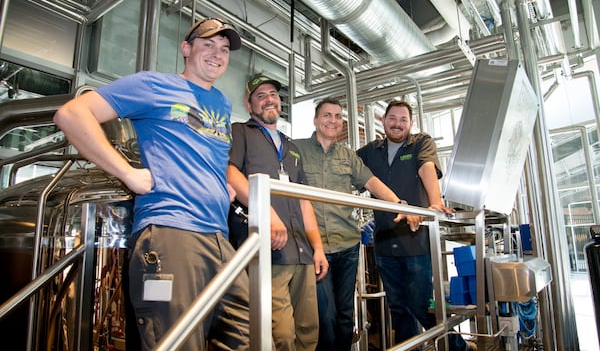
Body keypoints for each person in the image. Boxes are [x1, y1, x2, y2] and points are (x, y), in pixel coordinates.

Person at [53, 18, 250, 351]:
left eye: (225, 49)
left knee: (244, 334)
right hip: (171, 232)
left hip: (220, 236)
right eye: (208, 45)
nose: (217, 54)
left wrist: (223, 187)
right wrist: (126, 173)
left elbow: (208, 155)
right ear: (186, 49)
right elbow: (72, 114)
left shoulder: (222, 103)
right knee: (177, 342)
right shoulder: (153, 85)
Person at [356, 100, 473, 351]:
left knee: (422, 305)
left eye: (403, 120)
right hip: (385, 243)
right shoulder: (370, 152)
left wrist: (435, 202)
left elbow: (426, 168)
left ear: (411, 123)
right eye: (392, 118)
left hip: (415, 241)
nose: (397, 124)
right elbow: (350, 169)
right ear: (383, 120)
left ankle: (459, 348)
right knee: (398, 309)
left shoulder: (420, 142)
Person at [294, 97, 408, 351]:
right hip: (315, 246)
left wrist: (398, 202)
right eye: (327, 115)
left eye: (337, 116)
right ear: (315, 120)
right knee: (325, 315)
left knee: (346, 315)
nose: (333, 120)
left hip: (346, 244)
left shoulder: (348, 156)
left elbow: (371, 182)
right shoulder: (297, 149)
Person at [227, 74, 329, 351]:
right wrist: (267, 212)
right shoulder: (240, 132)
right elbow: (230, 172)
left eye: (273, 94)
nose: (269, 99)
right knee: (280, 334)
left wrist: (317, 247)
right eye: (261, 96)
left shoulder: (292, 146)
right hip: (269, 251)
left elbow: (304, 200)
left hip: (302, 252)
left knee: (309, 333)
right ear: (249, 105)